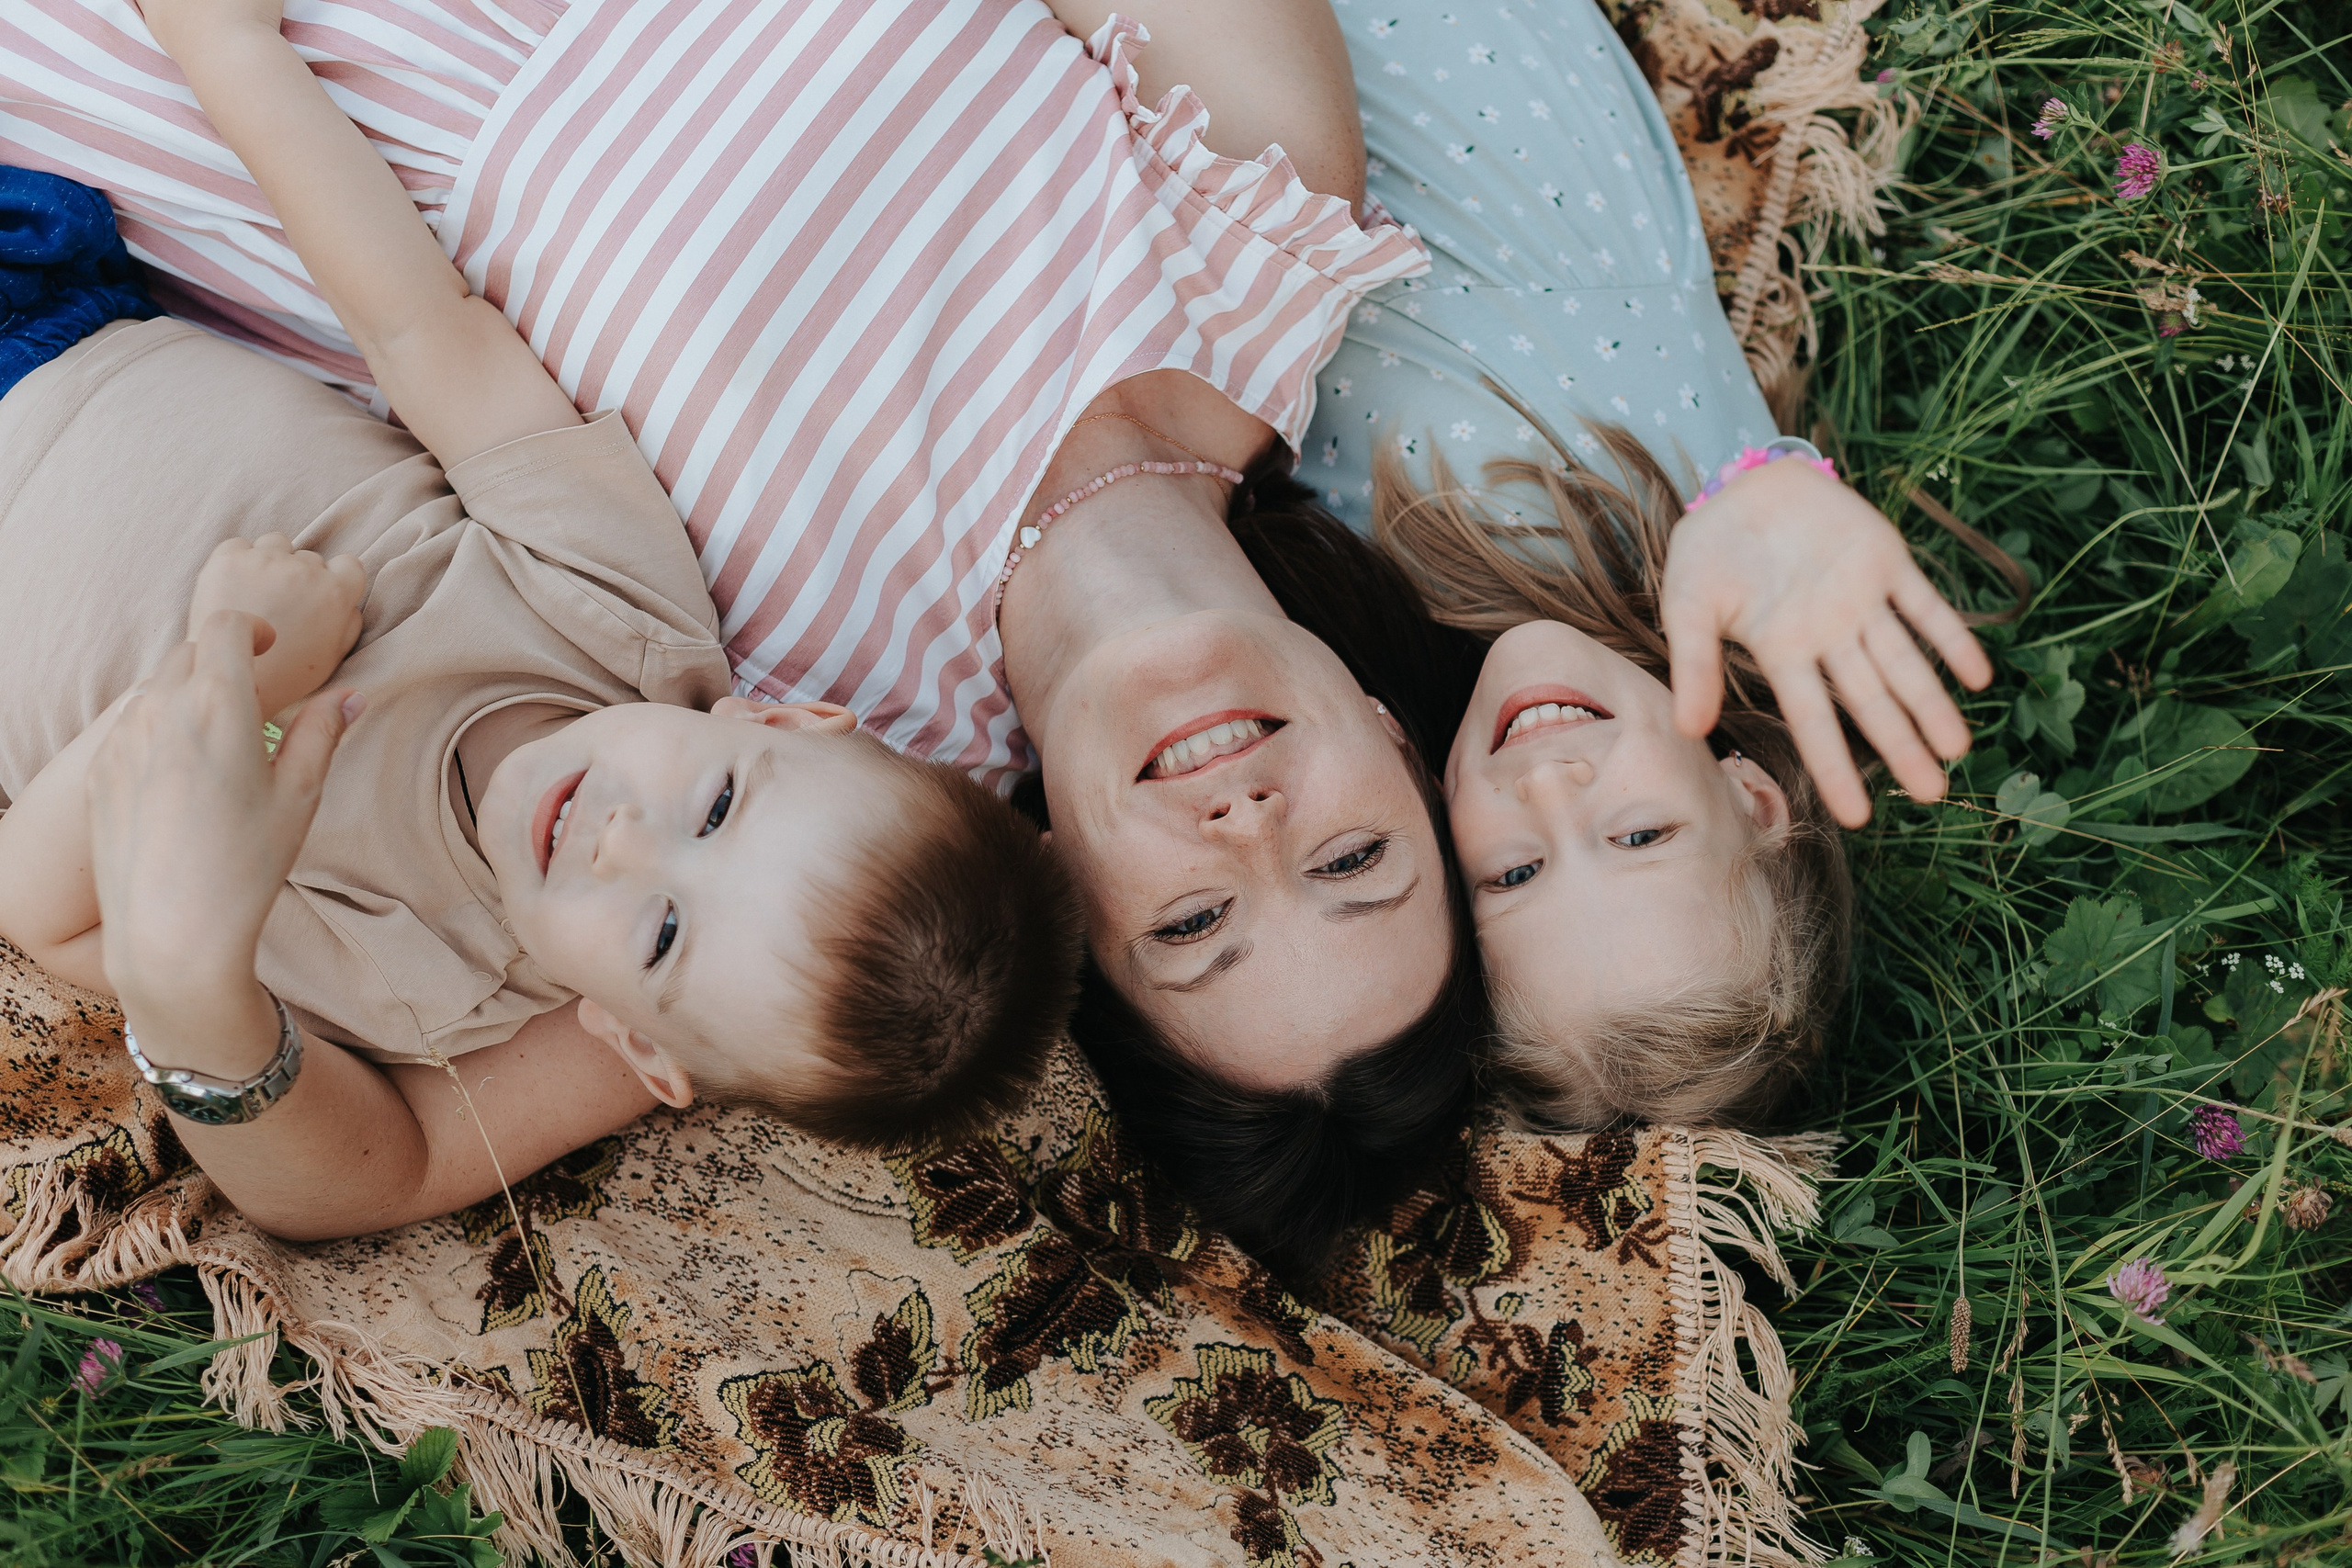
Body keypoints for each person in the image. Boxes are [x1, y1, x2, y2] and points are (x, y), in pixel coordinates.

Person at [0, 0, 1492, 1272]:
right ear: (1394, 734)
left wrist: (202, 1016)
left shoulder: (814, 815)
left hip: (216, 76)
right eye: (1352, 860)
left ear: (1076, 917)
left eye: (1194, 927)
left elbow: (379, 1166)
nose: (1247, 829)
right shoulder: (1257, 244)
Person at [1302, 3, 1991, 1125]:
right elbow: (1720, 476)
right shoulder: (1666, 536)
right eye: (1637, 835)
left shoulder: (1370, 650)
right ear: (1751, 795)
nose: (1550, 791)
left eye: (1513, 875)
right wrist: (1759, 482)